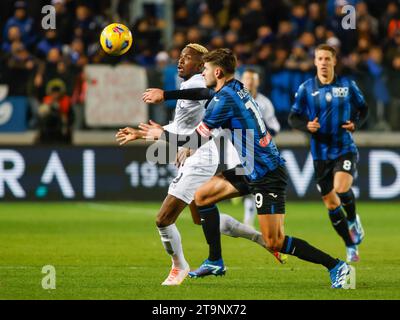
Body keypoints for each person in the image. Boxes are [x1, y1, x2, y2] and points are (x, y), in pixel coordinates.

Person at [136, 48, 355, 289]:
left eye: (206, 70)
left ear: (217, 72)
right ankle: (215, 260)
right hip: (247, 168)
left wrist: (160, 133)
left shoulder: (222, 101)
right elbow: (203, 91)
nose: (203, 74)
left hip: (265, 173)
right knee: (201, 197)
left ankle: (336, 266)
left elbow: (196, 140)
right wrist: (167, 95)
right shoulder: (235, 86)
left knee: (275, 241)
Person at [116, 44, 285, 286]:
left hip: (201, 157)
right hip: (195, 151)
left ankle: (179, 266)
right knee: (202, 216)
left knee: (163, 219)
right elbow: (181, 128)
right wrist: (143, 134)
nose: (180, 61)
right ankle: (259, 240)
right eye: (180, 57)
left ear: (200, 65)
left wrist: (166, 95)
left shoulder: (198, 82)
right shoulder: (189, 84)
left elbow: (206, 95)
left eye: (187, 58)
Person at [288, 44, 368, 263]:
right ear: (315, 62)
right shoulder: (306, 88)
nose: (323, 62)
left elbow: (363, 109)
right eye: (319, 58)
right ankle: (351, 245)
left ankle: (352, 220)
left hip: (344, 148)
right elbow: (293, 117)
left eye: (327, 58)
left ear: (334, 61)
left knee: (342, 188)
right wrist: (307, 126)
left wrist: (356, 123)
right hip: (320, 154)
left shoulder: (347, 85)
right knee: (331, 204)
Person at [241, 69, 280, 227]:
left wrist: (263, 135)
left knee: (255, 185)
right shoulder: (235, 99)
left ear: (257, 82)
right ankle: (249, 216)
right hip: (237, 149)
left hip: (258, 152)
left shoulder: (264, 103)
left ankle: (251, 219)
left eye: (252, 79)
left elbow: (275, 127)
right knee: (248, 184)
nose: (249, 82)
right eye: (247, 78)